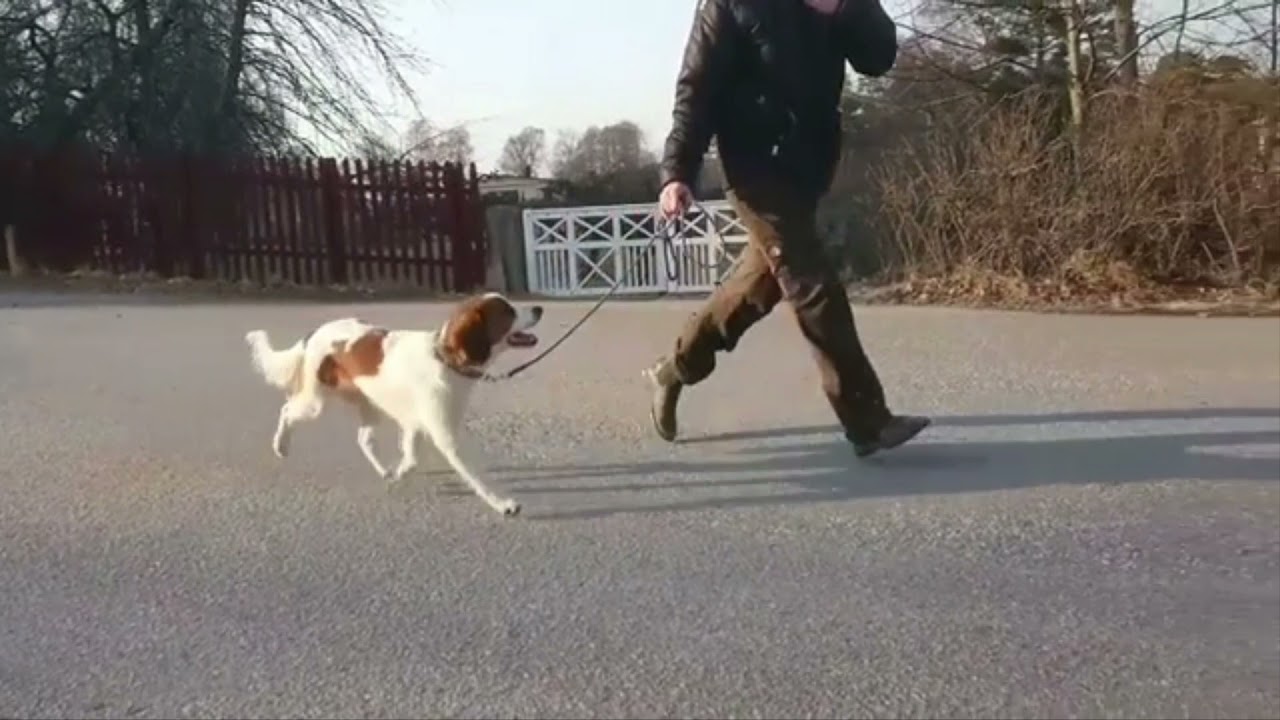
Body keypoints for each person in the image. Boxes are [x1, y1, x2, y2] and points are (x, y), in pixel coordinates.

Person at [646, 0, 930, 457]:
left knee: (758, 288)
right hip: (753, 167)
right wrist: (677, 172)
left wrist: (845, 9)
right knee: (812, 282)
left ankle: (676, 366)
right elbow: (697, 90)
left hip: (808, 166)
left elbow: (878, 60)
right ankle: (866, 420)